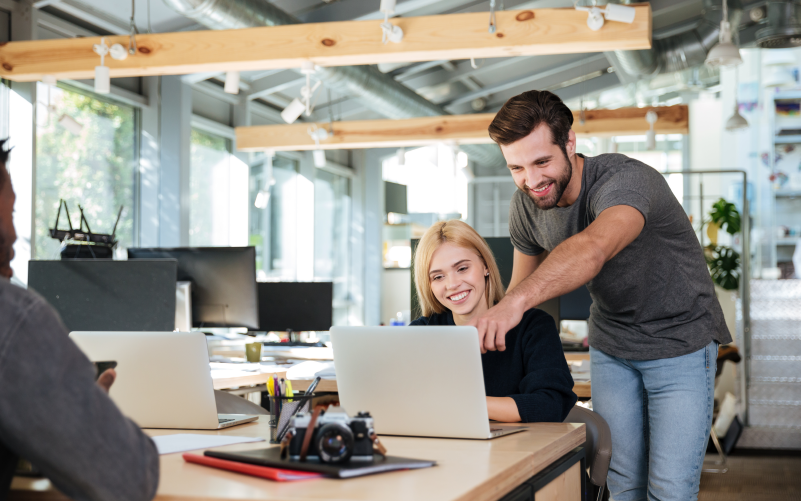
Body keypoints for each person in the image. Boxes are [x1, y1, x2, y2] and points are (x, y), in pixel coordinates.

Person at [475, 90, 731, 500]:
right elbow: (525, 296)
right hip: (613, 345)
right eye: (517, 168)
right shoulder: (527, 205)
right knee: (622, 482)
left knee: (669, 488)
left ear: (570, 143)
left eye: (542, 162)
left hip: (680, 342)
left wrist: (513, 304)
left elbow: (592, 249)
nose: (532, 180)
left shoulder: (626, 181)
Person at [0, 139, 160, 501]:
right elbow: (131, 478)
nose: (13, 234)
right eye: (11, 213)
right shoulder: (12, 317)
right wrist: (78, 421)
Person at [410, 219, 576, 423]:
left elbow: (551, 404)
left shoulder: (534, 327)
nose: (452, 284)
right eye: (438, 277)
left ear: (485, 266)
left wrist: (465, 403)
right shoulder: (420, 334)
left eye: (462, 268)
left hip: (519, 450)